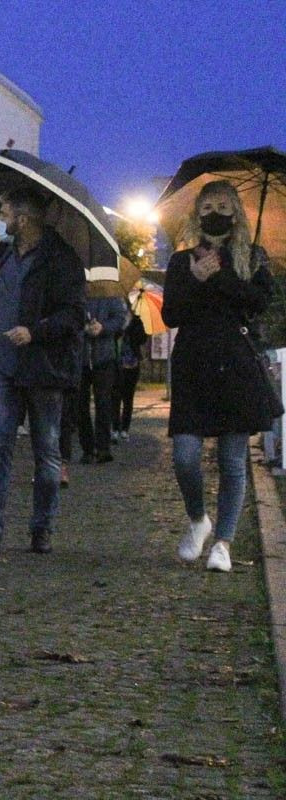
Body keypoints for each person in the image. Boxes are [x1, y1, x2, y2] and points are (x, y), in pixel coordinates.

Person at [0, 186, 85, 556]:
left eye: (5, 209)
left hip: (43, 368)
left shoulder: (62, 259)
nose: (0, 216)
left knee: (46, 450)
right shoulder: (1, 255)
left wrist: (35, 331)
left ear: (24, 218)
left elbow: (74, 314)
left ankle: (42, 527)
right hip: (0, 364)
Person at [164, 179, 275, 573]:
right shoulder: (181, 260)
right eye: (208, 205)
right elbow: (170, 314)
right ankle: (198, 520)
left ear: (237, 212)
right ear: (197, 211)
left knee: (232, 460)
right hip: (194, 365)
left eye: (225, 205)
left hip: (236, 367)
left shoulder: (253, 258)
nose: (216, 212)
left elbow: (259, 302)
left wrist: (221, 278)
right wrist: (195, 279)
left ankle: (223, 542)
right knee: (185, 456)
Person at [77, 287, 127, 464]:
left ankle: (103, 447)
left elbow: (120, 319)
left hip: (104, 357)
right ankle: (87, 447)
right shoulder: (77, 293)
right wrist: (85, 329)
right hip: (81, 358)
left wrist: (103, 327)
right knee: (81, 404)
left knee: (103, 402)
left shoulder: (110, 293)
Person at [113, 305, 147, 441]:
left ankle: (125, 428)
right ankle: (115, 427)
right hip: (117, 361)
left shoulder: (138, 321)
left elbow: (142, 339)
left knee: (128, 397)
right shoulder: (117, 319)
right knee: (115, 396)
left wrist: (133, 328)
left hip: (132, 362)